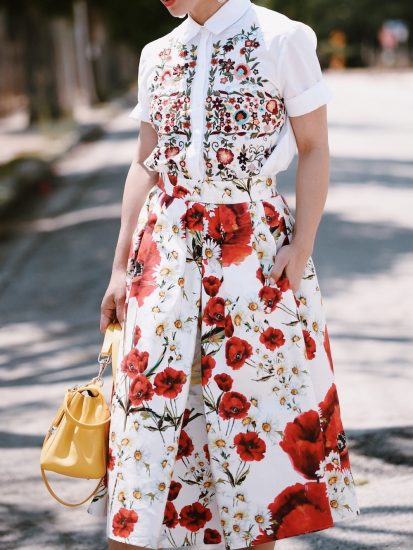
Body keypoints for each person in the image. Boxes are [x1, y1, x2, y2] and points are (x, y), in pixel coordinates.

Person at [87, 0, 361, 548]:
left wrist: (300, 248)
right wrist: (119, 267)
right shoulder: (157, 53)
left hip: (253, 260)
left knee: (250, 429)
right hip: (162, 260)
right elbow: (145, 163)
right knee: (149, 418)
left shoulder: (284, 39)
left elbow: (314, 147)